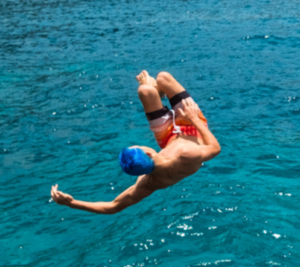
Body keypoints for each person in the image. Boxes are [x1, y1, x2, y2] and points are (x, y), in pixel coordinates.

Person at [50, 70, 221, 214]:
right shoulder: (186, 154)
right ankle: (157, 88)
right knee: (163, 77)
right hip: (192, 129)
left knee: (145, 92)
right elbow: (214, 148)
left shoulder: (148, 182)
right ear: (147, 152)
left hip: (168, 138)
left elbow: (113, 206)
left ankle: (154, 90)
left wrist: (70, 203)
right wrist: (193, 119)